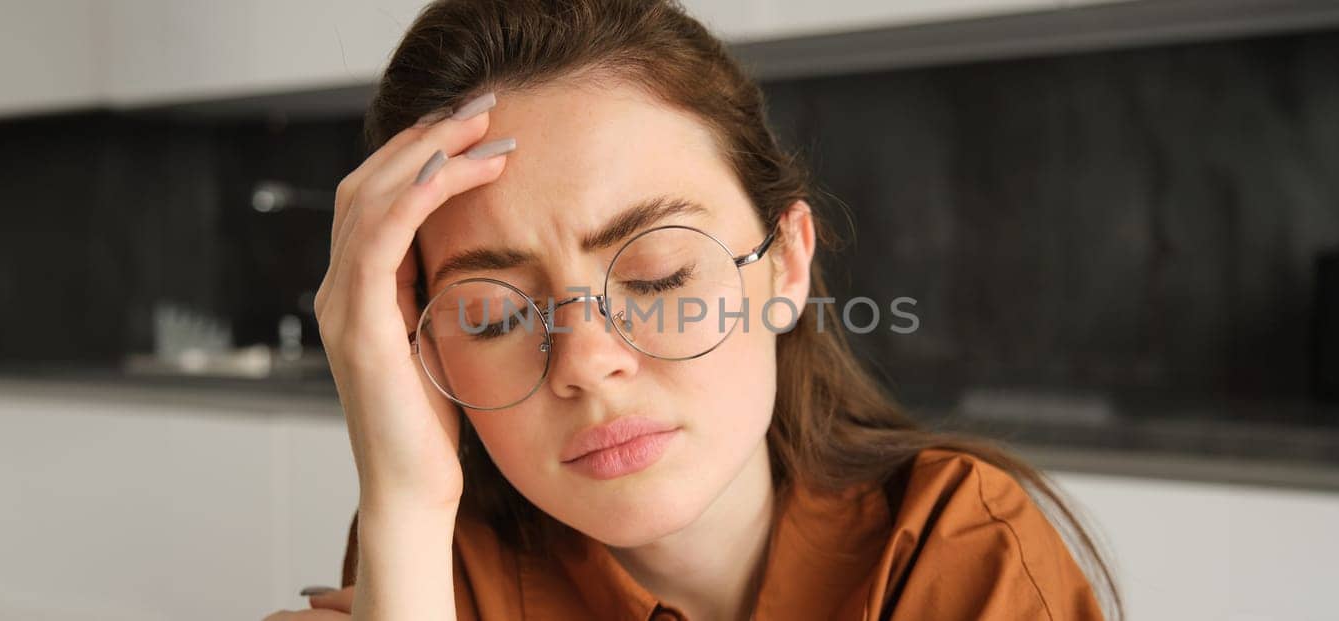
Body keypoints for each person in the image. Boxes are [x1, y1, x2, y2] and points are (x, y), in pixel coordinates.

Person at [266, 0, 1119, 619]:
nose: (586, 361)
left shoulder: (957, 552)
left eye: (659, 274)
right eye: (492, 316)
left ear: (785, 263)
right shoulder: (430, 557)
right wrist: (405, 507)